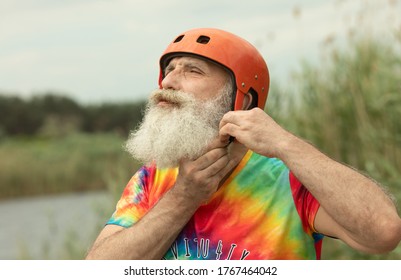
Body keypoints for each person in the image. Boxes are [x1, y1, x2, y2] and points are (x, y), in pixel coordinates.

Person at [85, 28, 401, 260]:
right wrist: (185, 196)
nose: (168, 82)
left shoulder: (287, 179)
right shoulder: (151, 178)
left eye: (192, 70)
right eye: (169, 71)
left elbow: (384, 233)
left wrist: (285, 143)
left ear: (242, 98)